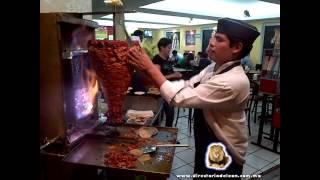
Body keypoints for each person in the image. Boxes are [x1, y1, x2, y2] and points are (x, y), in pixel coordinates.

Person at [128, 17, 260, 178]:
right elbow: (187, 85)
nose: (211, 42)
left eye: (218, 39)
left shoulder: (234, 81)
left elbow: (178, 98)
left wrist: (149, 66)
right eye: (213, 36)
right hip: (207, 139)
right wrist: (149, 72)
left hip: (225, 148)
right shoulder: (214, 67)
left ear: (237, 47)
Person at [152, 38, 182, 127]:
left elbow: (169, 72)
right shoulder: (157, 59)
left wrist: (176, 75)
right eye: (169, 48)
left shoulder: (167, 59)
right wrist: (173, 76)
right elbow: (156, 78)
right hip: (161, 91)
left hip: (169, 91)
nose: (170, 50)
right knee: (161, 116)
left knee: (170, 115)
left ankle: (168, 135)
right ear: (162, 48)